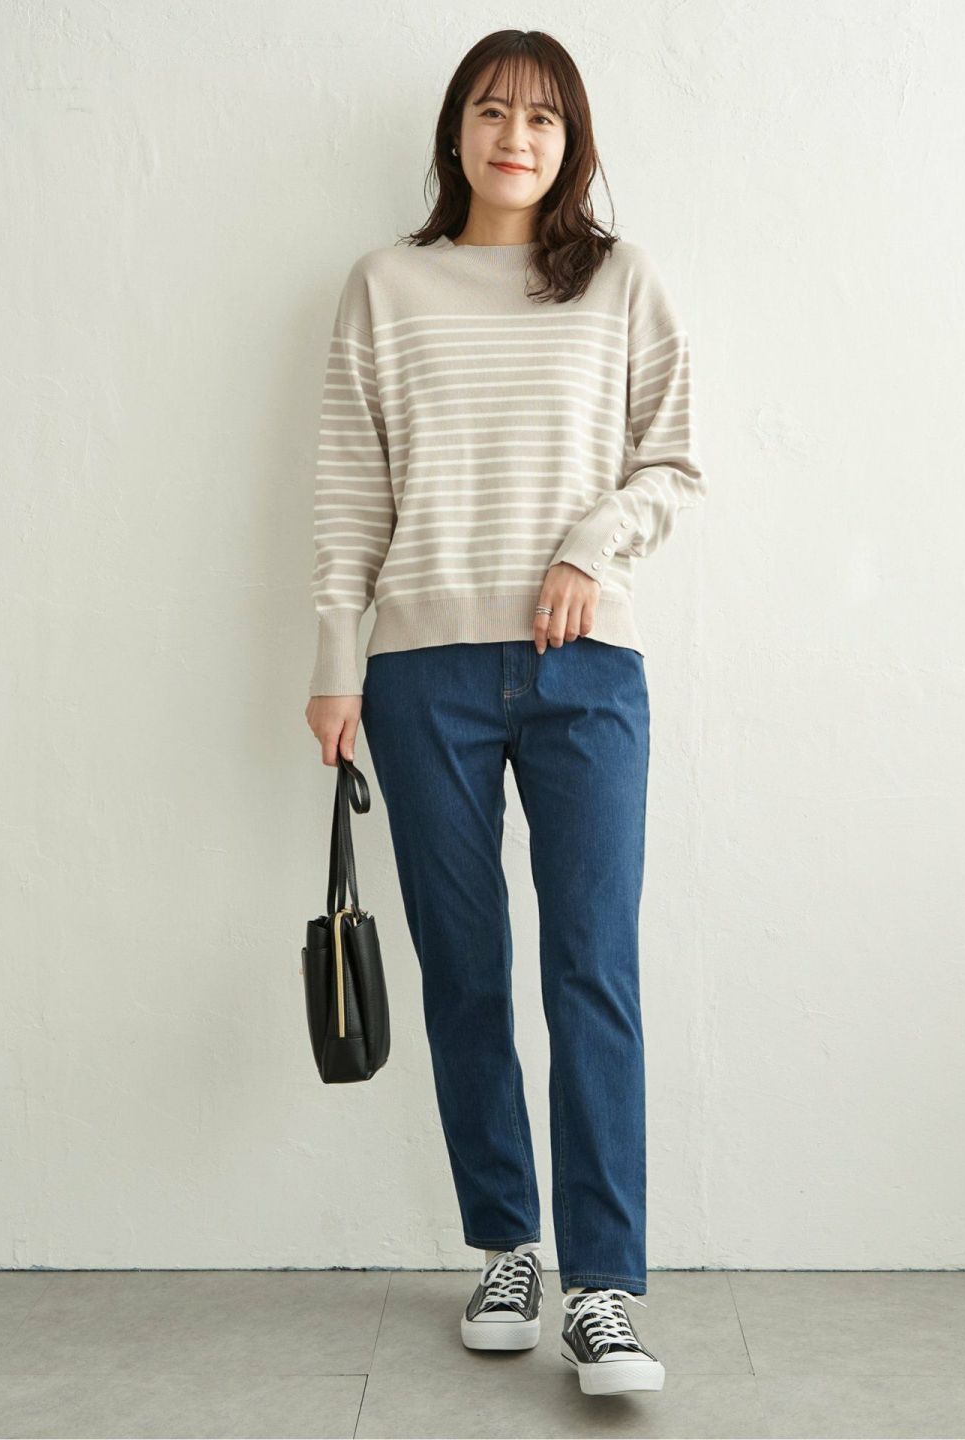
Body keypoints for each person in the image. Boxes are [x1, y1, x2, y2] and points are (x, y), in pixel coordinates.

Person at [303, 29, 706, 1398]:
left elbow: (673, 459)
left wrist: (592, 545)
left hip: (587, 670)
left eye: (541, 118)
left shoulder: (620, 280)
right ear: (456, 132)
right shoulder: (386, 286)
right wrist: (337, 664)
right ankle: (505, 1249)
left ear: (571, 140)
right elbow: (351, 491)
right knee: (464, 967)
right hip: (423, 673)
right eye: (490, 111)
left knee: (591, 967)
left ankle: (604, 1288)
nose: (514, 137)